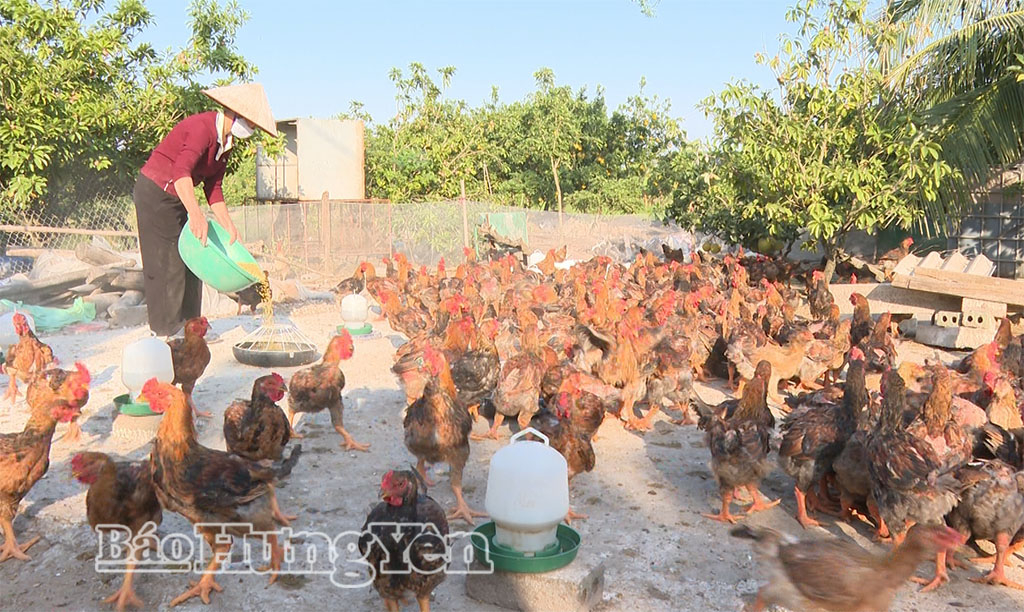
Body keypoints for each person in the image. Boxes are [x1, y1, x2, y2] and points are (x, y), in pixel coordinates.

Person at [133, 83, 276, 338]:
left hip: (178, 194)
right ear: (235, 114)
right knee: (168, 261)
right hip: (156, 192)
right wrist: (196, 215)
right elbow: (180, 172)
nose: (251, 130)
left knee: (194, 258)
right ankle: (167, 329)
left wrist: (227, 224)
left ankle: (191, 326)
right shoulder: (203, 128)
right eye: (251, 124)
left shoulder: (226, 144)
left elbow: (214, 187)